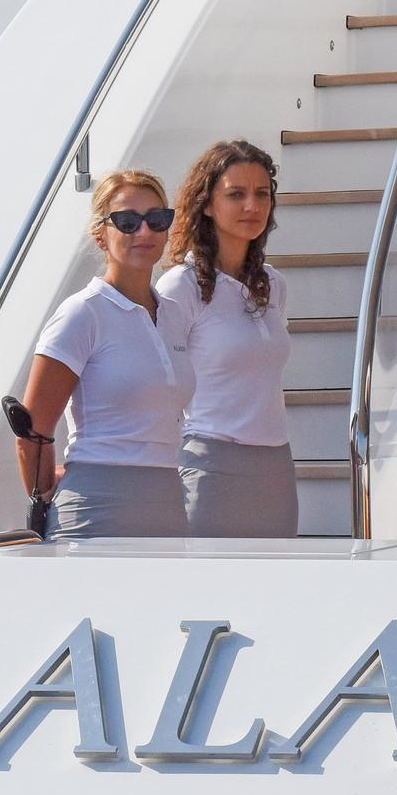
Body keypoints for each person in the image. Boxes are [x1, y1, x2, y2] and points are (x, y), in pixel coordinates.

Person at [17, 170, 194, 539]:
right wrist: (46, 491)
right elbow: (33, 431)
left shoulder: (174, 314)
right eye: (127, 222)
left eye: (157, 220)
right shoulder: (83, 313)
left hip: (168, 505)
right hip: (94, 510)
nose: (144, 232)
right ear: (101, 234)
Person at [157, 139, 296, 538]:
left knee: (272, 594)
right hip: (210, 464)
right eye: (236, 195)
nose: (252, 206)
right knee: (207, 597)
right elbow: (162, 385)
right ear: (206, 204)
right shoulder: (180, 286)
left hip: (276, 465)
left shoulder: (274, 285)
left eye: (262, 194)